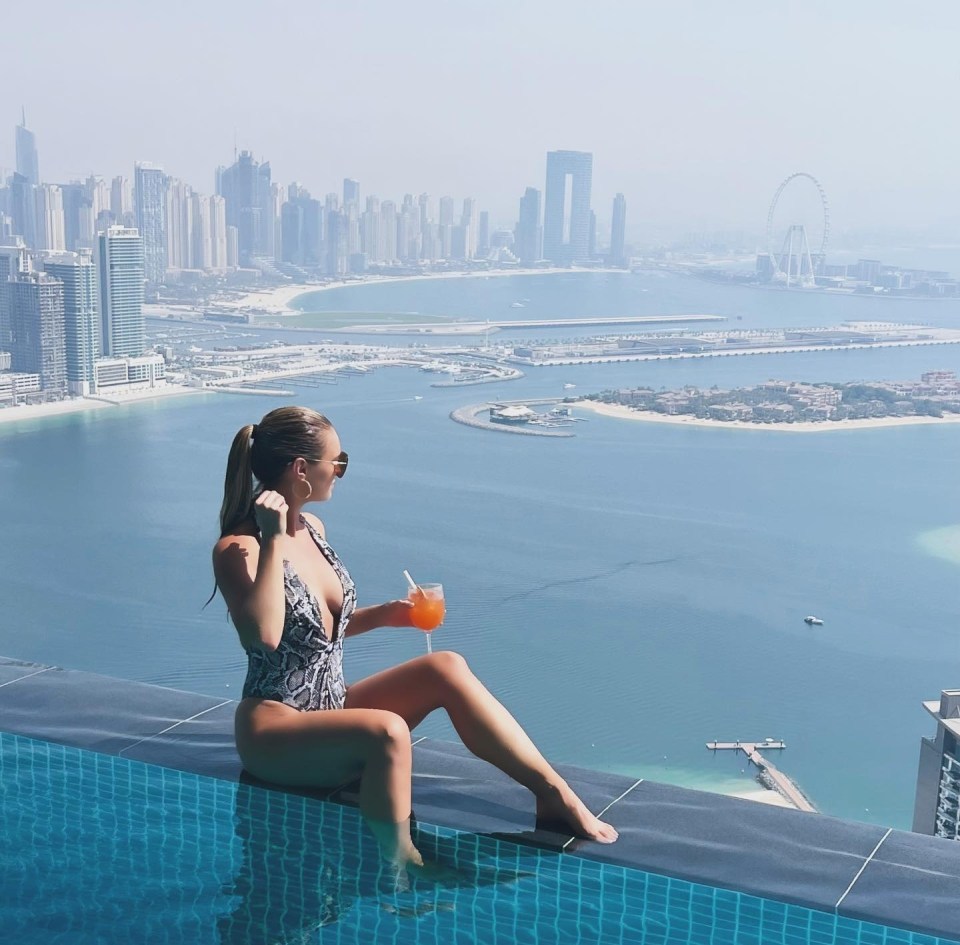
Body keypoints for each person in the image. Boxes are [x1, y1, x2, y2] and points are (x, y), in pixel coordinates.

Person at [211, 406, 617, 870]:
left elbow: (318, 634)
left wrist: (388, 615)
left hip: (330, 708)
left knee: (445, 666)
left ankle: (553, 794)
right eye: (337, 462)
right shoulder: (239, 550)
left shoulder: (314, 529)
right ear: (301, 469)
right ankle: (399, 864)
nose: (341, 472)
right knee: (388, 730)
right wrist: (274, 541)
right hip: (274, 733)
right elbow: (264, 636)